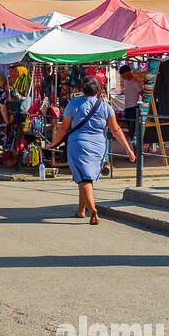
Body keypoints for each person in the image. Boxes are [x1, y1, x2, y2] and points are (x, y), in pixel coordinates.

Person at [48, 76, 136, 225]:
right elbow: (116, 129)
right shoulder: (105, 107)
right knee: (86, 177)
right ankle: (81, 210)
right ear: (99, 90)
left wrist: (53, 143)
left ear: (82, 89)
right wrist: (128, 149)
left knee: (84, 179)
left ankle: (92, 210)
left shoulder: (73, 104)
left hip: (78, 144)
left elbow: (63, 128)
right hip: (99, 146)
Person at [119, 64, 144, 140]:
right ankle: (134, 148)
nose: (122, 77)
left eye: (123, 75)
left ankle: (136, 149)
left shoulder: (136, 82)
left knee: (134, 131)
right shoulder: (126, 81)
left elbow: (142, 94)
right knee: (130, 130)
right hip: (128, 108)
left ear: (127, 73)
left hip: (134, 109)